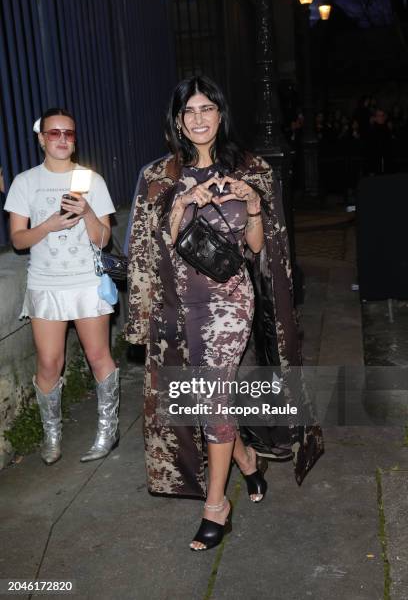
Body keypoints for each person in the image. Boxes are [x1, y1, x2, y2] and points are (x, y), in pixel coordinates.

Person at [125, 76, 323, 551]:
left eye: (207, 109)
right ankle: (248, 461)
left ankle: (216, 506)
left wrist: (253, 206)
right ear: (177, 120)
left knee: (211, 396)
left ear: (220, 115)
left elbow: (259, 249)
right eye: (189, 111)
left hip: (228, 303)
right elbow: (151, 247)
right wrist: (183, 203)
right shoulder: (158, 176)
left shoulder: (251, 169)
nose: (198, 119)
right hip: (179, 304)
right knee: (203, 398)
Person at [4, 108, 119, 466]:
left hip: (86, 283)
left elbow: (102, 240)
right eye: (54, 133)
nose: (62, 139)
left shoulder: (90, 180)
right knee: (49, 363)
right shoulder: (26, 182)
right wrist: (50, 225)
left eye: (68, 133)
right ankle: (51, 433)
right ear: (41, 138)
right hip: (46, 285)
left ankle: (108, 430)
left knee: (99, 356)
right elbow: (19, 241)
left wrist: (86, 212)